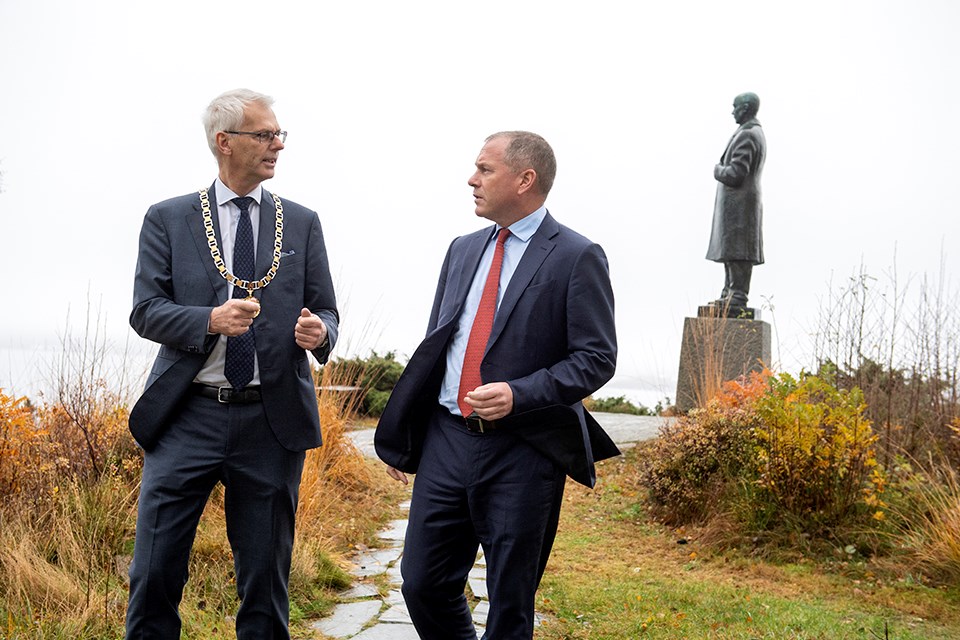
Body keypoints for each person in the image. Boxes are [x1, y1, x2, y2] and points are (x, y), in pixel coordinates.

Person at [375, 131, 619, 639]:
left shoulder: (577, 255)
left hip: (523, 452)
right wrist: (410, 433)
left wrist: (518, 394)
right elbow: (437, 345)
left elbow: (597, 359)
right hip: (446, 440)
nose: (472, 178)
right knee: (422, 583)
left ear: (525, 179)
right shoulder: (462, 250)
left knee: (511, 604)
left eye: (485, 169)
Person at [125, 88, 339, 639]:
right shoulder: (168, 218)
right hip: (184, 418)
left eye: (278, 135)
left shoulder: (303, 222)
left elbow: (330, 313)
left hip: (271, 421)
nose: (277, 146)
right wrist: (209, 321)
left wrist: (320, 333)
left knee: (265, 586)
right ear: (225, 142)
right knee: (152, 575)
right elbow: (146, 312)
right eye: (265, 135)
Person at [706, 92, 766, 309]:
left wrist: (717, 170)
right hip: (738, 206)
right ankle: (729, 293)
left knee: (738, 250)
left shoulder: (748, 134)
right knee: (732, 250)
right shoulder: (749, 132)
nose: (732, 112)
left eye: (735, 107)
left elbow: (736, 173)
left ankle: (737, 296)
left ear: (746, 107)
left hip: (740, 206)